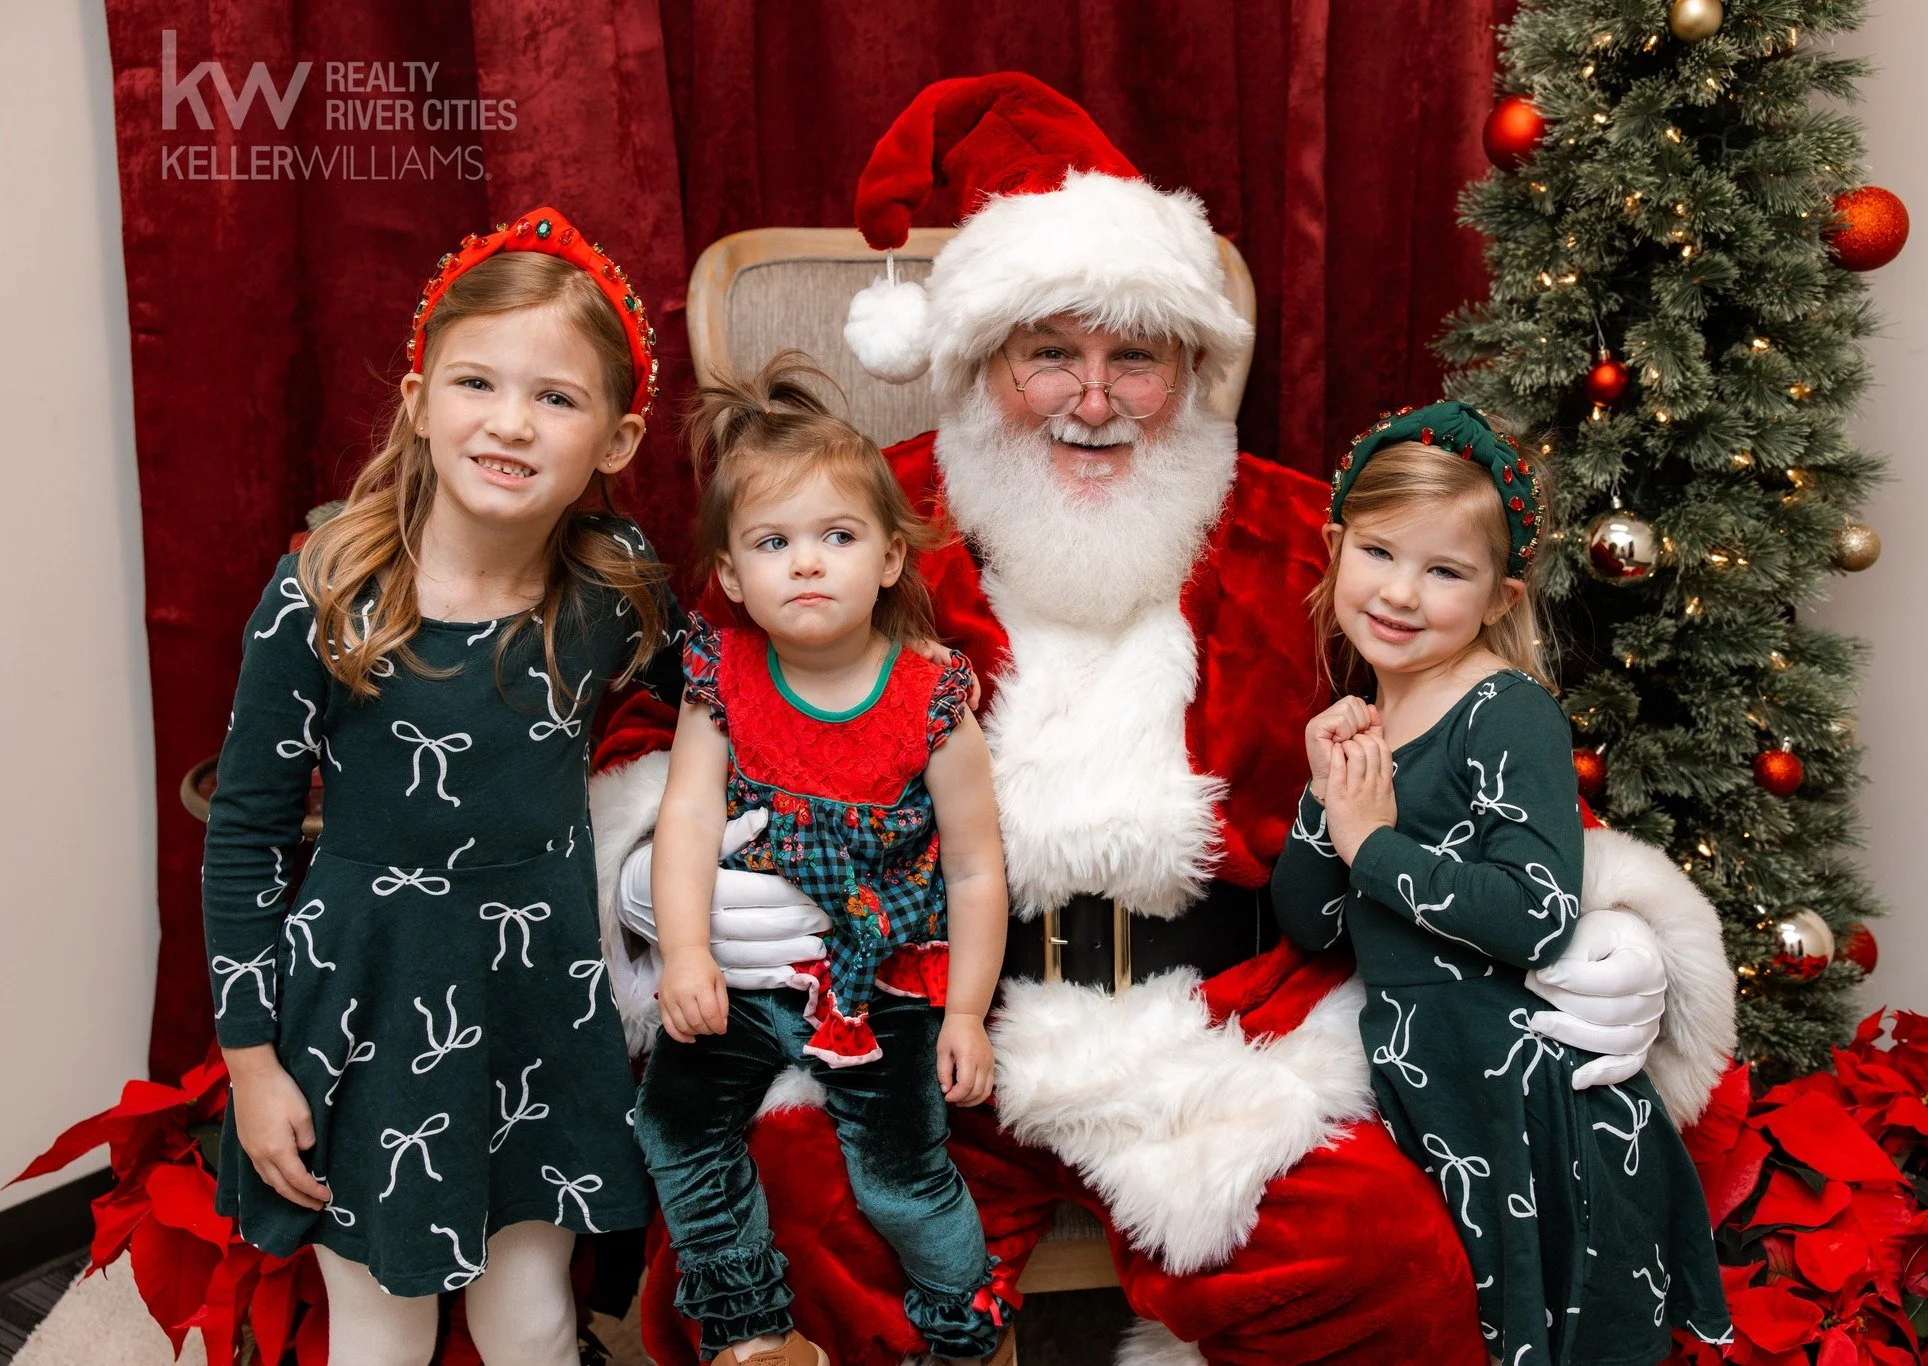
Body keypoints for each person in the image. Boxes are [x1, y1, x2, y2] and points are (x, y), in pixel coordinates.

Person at [592, 74, 1735, 1366]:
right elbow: (659, 720)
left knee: (1396, 1263)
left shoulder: (1304, 540)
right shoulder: (858, 527)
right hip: (918, 1014)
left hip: (1228, 1030)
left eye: (1134, 354)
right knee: (782, 1235)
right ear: (980, 362)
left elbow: (1462, 719)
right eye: (1051, 355)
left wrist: (1611, 923)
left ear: (1189, 367)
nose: (1094, 399)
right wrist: (649, 874)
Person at [203, 206, 678, 1365]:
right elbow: (248, 835)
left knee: (531, 1314)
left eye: (556, 398)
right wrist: (252, 1063)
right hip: (363, 1005)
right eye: (476, 382)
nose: (509, 422)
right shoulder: (323, 590)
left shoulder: (615, 591)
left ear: (615, 441)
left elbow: (724, 705)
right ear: (418, 401)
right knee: (381, 1326)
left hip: (536, 1011)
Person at [1271, 401, 1734, 1364]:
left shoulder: (1505, 712)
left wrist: (1373, 843)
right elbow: (1313, 924)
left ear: (1498, 597)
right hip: (1424, 1077)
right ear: (1334, 548)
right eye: (1380, 554)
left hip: (1523, 1096)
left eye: (1444, 571)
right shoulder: (1364, 715)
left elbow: (1536, 915)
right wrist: (1326, 803)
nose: (1400, 594)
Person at [633, 354, 1009, 1366]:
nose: (805, 563)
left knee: (898, 1173)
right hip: (751, 976)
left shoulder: (930, 701)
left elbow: (975, 868)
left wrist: (964, 1009)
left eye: (835, 538)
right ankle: (751, 1327)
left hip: (882, 977)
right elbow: (684, 819)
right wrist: (682, 952)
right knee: (674, 1123)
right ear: (728, 575)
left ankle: (964, 1337)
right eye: (773, 542)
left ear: (890, 558)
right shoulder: (721, 682)